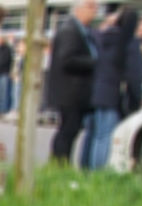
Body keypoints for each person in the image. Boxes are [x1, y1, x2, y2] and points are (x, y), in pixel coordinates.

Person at [83, 7, 142, 170]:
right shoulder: (129, 42)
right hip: (113, 93)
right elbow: (134, 74)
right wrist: (135, 100)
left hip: (96, 92)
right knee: (107, 136)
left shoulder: (103, 38)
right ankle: (100, 173)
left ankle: (90, 169)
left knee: (96, 136)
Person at [47, 0, 99, 165]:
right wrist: (94, 62)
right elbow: (67, 60)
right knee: (67, 130)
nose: (95, 12)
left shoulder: (85, 31)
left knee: (71, 130)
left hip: (77, 91)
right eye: (91, 7)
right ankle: (59, 163)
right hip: (70, 91)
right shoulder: (70, 30)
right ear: (79, 9)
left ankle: (60, 162)